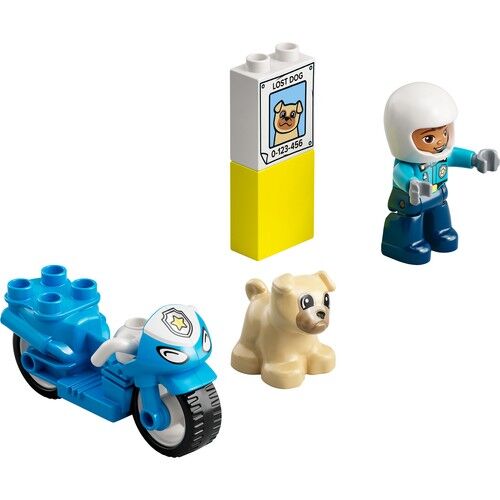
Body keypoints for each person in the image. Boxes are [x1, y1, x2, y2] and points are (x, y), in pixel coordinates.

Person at [381, 82, 499, 265]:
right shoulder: (406, 165)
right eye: (429, 138)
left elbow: (456, 155)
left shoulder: (441, 156)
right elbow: (400, 174)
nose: (440, 142)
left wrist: (475, 159)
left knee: (440, 212)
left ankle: (441, 232)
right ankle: (410, 243)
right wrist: (411, 184)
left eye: (444, 133)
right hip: (413, 202)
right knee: (413, 219)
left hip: (438, 197)